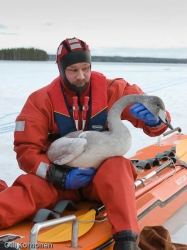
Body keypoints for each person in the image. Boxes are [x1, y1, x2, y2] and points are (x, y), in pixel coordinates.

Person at [0, 37, 171, 250]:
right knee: (26, 190)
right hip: (56, 181)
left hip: (101, 178)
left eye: (85, 68)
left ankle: (126, 240)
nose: (81, 76)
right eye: (73, 70)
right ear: (61, 69)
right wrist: (56, 175)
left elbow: (159, 118)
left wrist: (155, 121)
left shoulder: (114, 90)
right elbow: (26, 151)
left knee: (118, 167)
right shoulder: (40, 100)